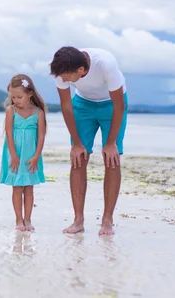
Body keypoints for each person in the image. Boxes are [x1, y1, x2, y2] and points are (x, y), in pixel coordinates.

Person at [49, 46, 128, 236]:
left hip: (112, 105)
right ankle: (78, 220)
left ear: (81, 70)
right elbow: (66, 105)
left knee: (112, 158)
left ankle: (107, 220)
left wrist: (110, 143)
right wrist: (76, 143)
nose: (63, 80)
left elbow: (119, 106)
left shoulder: (106, 64)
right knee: (78, 158)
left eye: (67, 76)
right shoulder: (62, 68)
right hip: (83, 105)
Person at [0, 74, 47, 231]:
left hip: (31, 156)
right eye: (13, 97)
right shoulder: (10, 111)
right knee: (17, 187)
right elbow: (9, 134)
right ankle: (19, 220)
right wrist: (13, 155)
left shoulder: (38, 112)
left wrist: (36, 157)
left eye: (19, 97)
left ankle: (28, 219)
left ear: (30, 94)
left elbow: (41, 136)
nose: (15, 100)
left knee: (29, 188)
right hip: (15, 155)